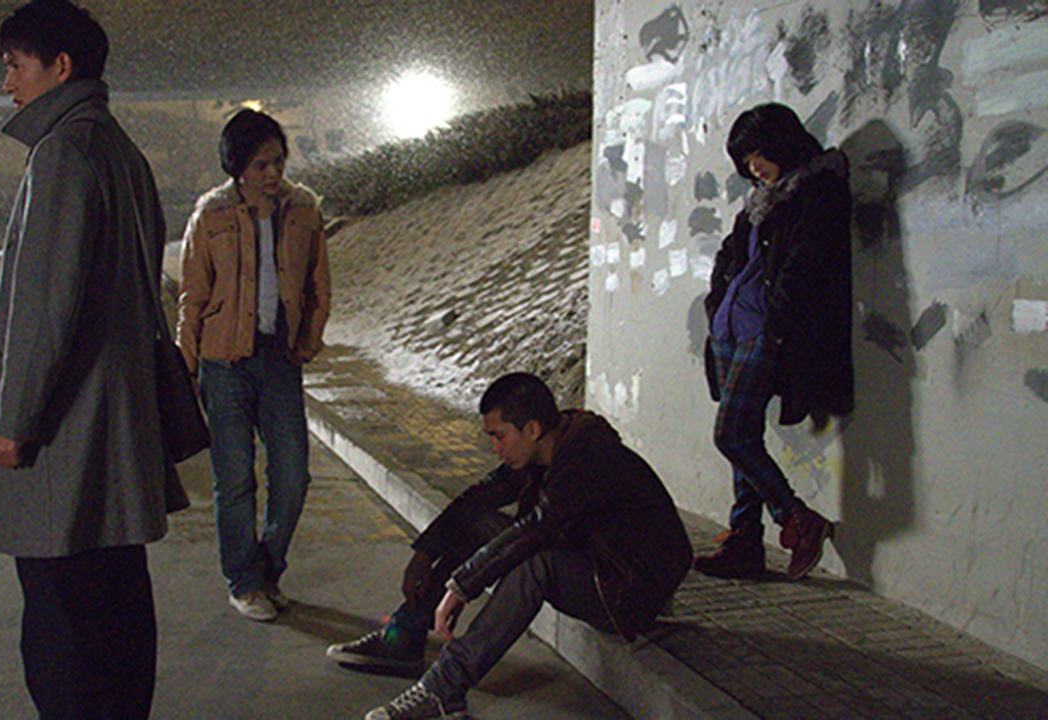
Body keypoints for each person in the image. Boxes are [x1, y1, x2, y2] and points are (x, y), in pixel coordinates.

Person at [0, 1, 187, 716]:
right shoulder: (118, 150)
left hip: (66, 435)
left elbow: (46, 306)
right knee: (117, 605)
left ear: (60, 67)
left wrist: (14, 421)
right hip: (116, 426)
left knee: (63, 623)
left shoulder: (61, 154)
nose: (8, 83)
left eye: (15, 65)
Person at [327, 372, 692, 720]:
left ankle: (444, 689)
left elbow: (537, 528)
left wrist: (461, 585)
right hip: (593, 563)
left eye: (499, 436)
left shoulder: (587, 459)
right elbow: (479, 498)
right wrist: (425, 552)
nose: (494, 448)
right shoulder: (548, 447)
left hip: (628, 591)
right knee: (480, 523)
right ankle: (404, 637)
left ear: (532, 429)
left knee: (536, 564)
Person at [178, 109, 331, 622]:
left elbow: (319, 285)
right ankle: (245, 583)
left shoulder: (304, 211)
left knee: (293, 476)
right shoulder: (211, 215)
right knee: (236, 479)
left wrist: (309, 339)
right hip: (223, 362)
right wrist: (187, 363)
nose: (273, 172)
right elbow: (193, 296)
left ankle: (266, 568)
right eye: (261, 164)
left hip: (279, 360)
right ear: (237, 166)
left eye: (278, 161)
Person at [695, 102, 853, 581]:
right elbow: (730, 257)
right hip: (729, 330)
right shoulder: (760, 201)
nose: (752, 167)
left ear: (781, 144)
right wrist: (717, 303)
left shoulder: (816, 189)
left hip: (764, 330)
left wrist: (775, 322)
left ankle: (797, 519)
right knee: (743, 437)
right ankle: (745, 539)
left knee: (731, 435)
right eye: (745, 160)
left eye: (757, 154)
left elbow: (804, 264)